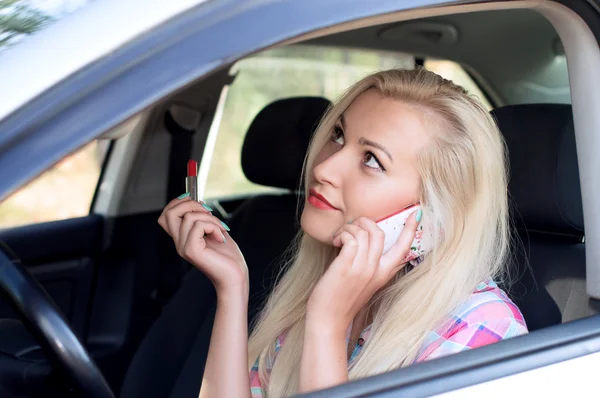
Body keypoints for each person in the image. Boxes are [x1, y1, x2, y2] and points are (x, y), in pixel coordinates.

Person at [157, 68, 528, 398]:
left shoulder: (483, 333)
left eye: (372, 160)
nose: (325, 167)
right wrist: (232, 287)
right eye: (337, 134)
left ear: (433, 211)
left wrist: (327, 326)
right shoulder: (322, 285)